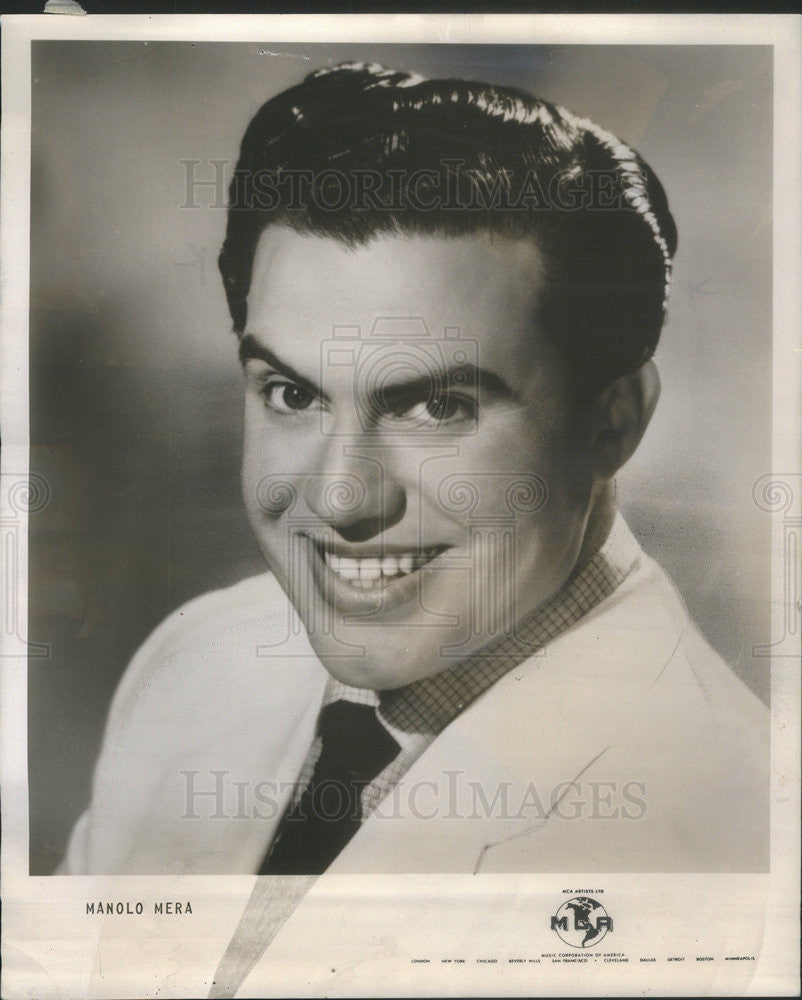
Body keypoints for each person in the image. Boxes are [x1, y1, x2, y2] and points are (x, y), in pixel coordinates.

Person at [59, 62, 767, 877]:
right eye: (292, 393)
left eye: (437, 409)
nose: (341, 496)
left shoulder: (726, 828)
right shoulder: (193, 666)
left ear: (612, 423)